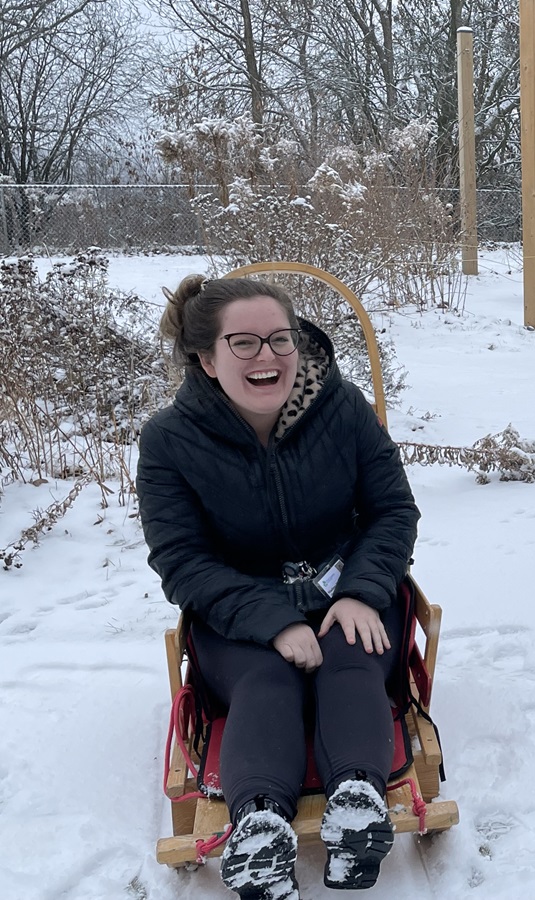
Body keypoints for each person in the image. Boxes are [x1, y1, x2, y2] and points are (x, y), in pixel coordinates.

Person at [137, 275, 420, 898]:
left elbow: (392, 512)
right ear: (207, 360)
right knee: (265, 680)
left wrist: (360, 590)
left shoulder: (341, 410)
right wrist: (274, 619)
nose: (267, 356)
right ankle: (260, 825)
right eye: (243, 343)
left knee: (350, 661)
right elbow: (182, 558)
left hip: (349, 589)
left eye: (279, 339)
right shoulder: (169, 442)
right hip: (235, 609)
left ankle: (356, 807)